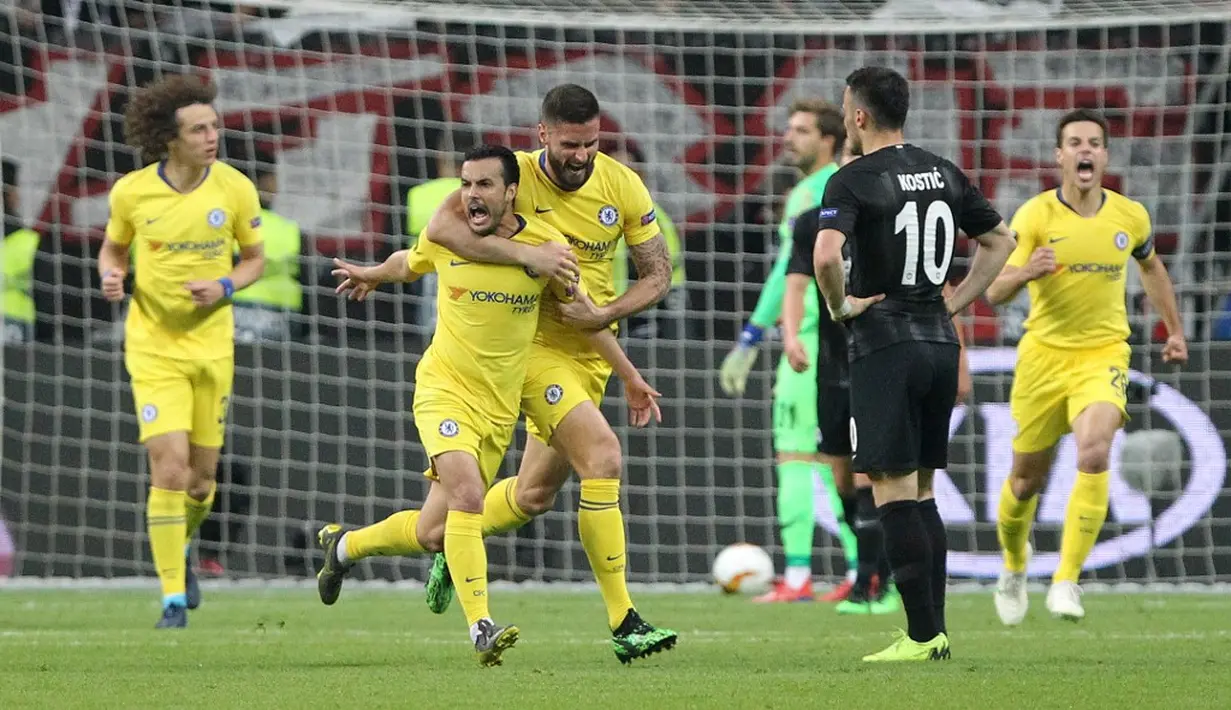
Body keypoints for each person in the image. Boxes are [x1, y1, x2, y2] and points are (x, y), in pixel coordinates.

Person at [316, 144, 662, 667]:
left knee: (437, 531)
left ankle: (345, 547)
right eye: (466, 184)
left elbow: (582, 316)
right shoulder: (452, 236)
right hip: (445, 388)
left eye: (484, 186)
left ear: (511, 192)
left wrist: (630, 375)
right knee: (468, 494)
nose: (472, 195)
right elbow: (409, 262)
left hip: (499, 405)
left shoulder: (549, 249)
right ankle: (482, 627)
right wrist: (371, 273)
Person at [420, 84, 679, 664]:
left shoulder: (622, 185)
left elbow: (657, 275)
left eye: (590, 144)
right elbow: (441, 231)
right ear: (543, 137)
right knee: (604, 457)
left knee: (531, 496)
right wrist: (526, 257)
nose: (581, 156)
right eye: (569, 145)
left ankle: (362, 545)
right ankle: (624, 621)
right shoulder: (507, 180)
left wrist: (608, 320)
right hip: (530, 347)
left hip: (593, 346)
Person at [813, 66, 1015, 661]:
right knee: (924, 491)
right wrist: (953, 301)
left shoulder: (851, 179)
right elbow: (1001, 241)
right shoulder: (945, 170)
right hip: (938, 340)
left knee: (893, 490)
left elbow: (827, 256)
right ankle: (936, 632)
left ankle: (922, 636)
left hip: (886, 346)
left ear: (857, 116)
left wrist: (841, 305)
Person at [986, 108, 1187, 625]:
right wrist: (1027, 270)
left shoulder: (1129, 216)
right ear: (1059, 156)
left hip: (1103, 354)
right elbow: (995, 291)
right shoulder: (1034, 216)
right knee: (1024, 483)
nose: (1084, 151)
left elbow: (1152, 267)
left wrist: (1175, 329)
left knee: (1095, 451)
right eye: (1074, 142)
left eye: (1094, 143)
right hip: (1043, 360)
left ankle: (1067, 581)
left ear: (1104, 156)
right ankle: (1013, 565)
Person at [99, 74, 265, 629]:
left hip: (213, 346)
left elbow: (254, 260)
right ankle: (172, 597)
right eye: (199, 129)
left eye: (214, 125)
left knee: (199, 483)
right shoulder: (131, 192)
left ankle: (183, 546)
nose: (212, 136)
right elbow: (113, 249)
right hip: (152, 346)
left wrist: (223, 286)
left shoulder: (235, 188)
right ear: (170, 138)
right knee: (167, 470)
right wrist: (112, 275)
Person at [785, 140, 974, 615]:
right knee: (843, 473)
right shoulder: (814, 222)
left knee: (886, 478)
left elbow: (942, 286)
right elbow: (796, 281)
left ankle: (877, 583)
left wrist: (962, 355)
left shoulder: (887, 213)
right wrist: (791, 335)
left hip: (880, 357)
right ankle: (880, 579)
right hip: (836, 365)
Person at [732, 98, 860, 603]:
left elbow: (789, 274)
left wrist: (754, 334)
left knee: (800, 456)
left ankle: (802, 575)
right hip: (848, 337)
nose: (789, 139)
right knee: (840, 460)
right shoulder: (851, 183)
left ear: (828, 138)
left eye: (801, 130)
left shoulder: (812, 193)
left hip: (810, 340)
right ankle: (861, 569)